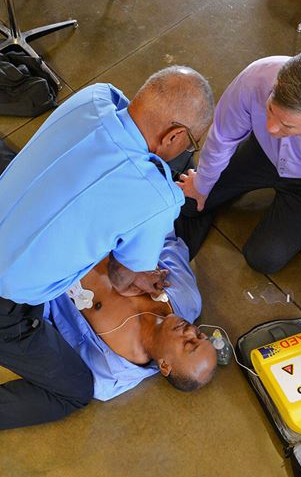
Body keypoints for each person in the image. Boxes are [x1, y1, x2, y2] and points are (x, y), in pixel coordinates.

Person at [0, 67, 214, 427]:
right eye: (190, 143)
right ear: (175, 134)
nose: (192, 331)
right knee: (74, 391)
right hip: (12, 280)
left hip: (12, 204)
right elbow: (127, 270)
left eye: (190, 344)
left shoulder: (96, 95)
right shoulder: (156, 202)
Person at [175, 51, 301, 273]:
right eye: (270, 109)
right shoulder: (256, 77)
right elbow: (223, 136)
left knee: (263, 258)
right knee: (188, 204)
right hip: (263, 151)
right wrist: (203, 184)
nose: (271, 127)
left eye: (287, 125)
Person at [0, 232, 216, 429]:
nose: (190, 331)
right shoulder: (187, 298)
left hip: (38, 264)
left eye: (189, 344)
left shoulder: (108, 373)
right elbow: (166, 239)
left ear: (165, 366)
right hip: (85, 225)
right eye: (199, 334)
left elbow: (42, 331)